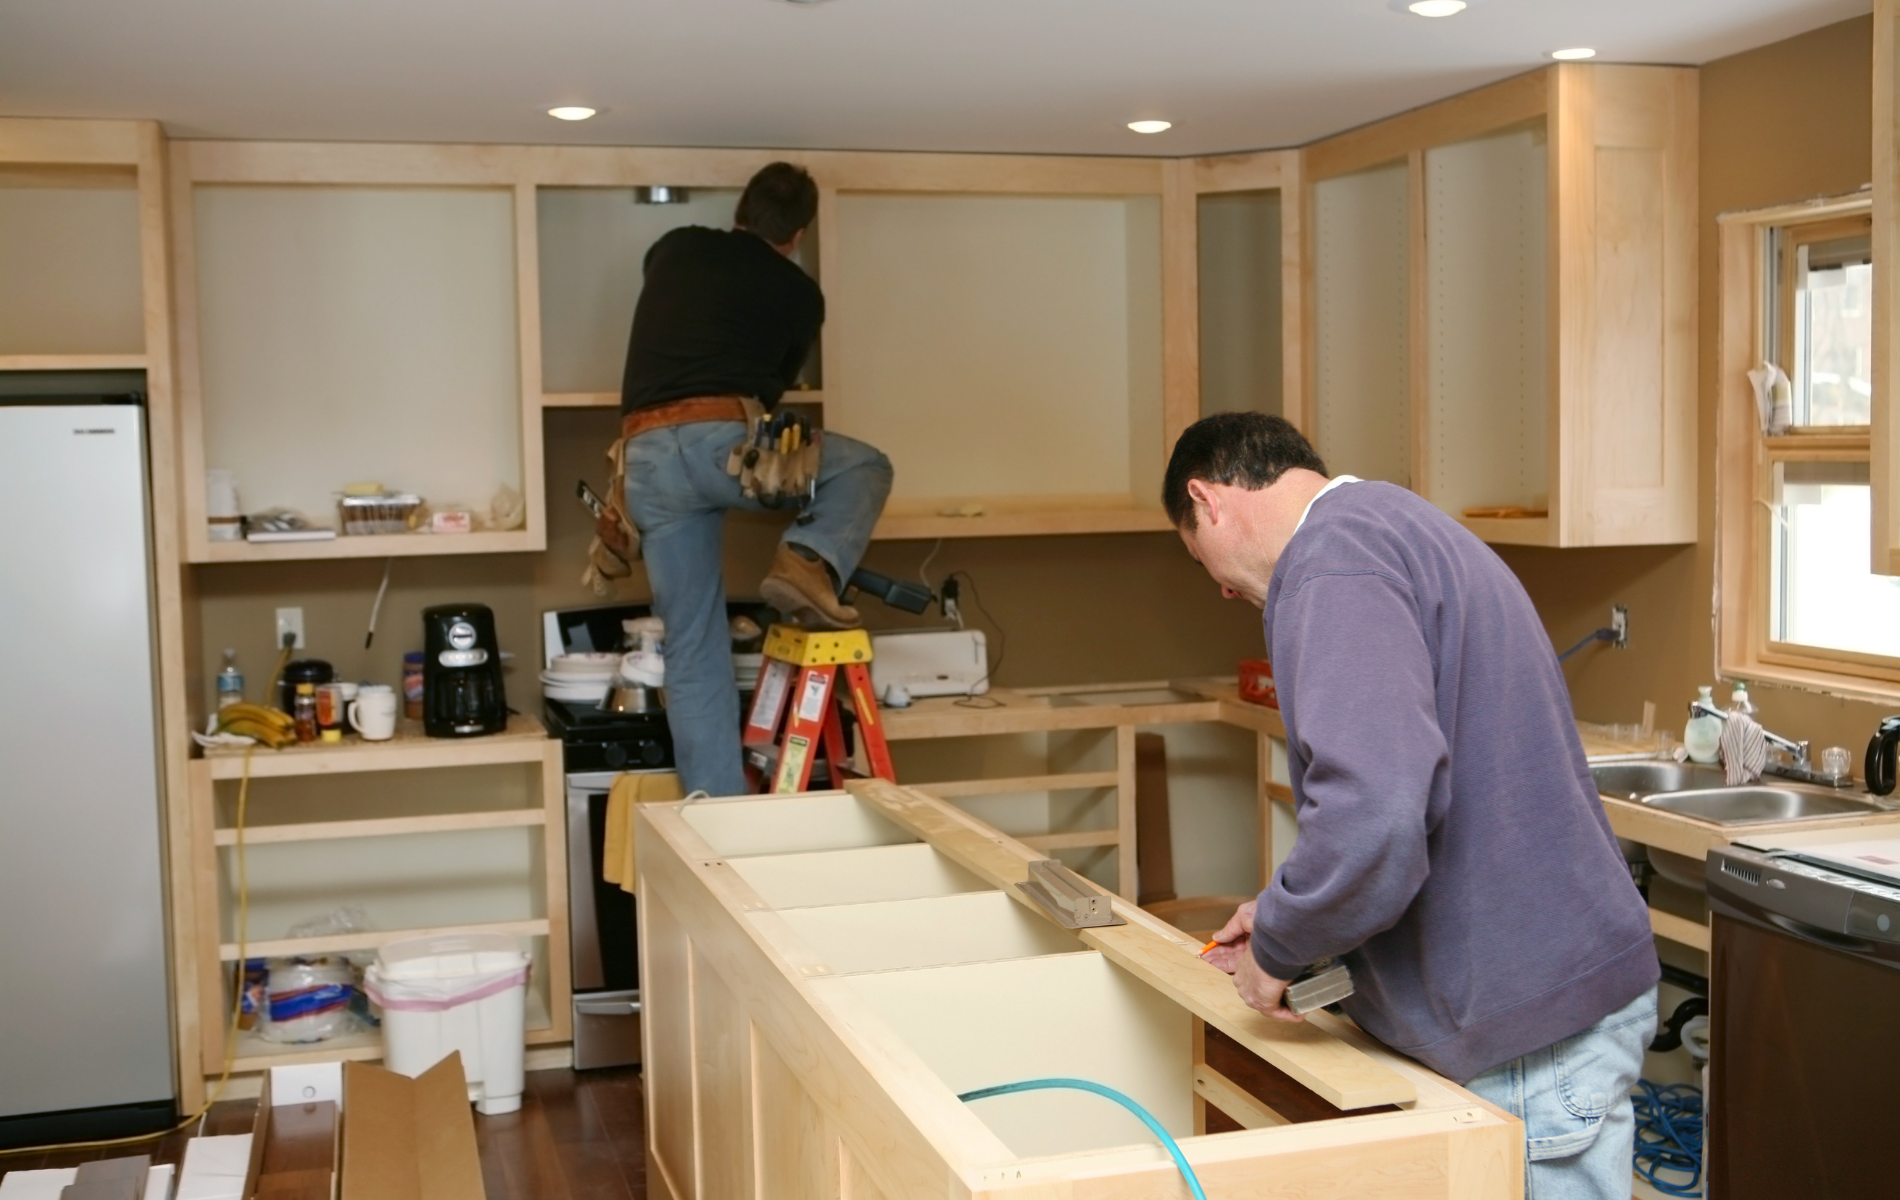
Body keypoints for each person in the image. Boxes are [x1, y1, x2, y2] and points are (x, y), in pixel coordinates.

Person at [1165, 412, 1657, 1200]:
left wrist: (1279, 951)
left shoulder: (1331, 565)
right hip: (1538, 1001)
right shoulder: (1394, 523)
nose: (1222, 586)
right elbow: (1405, 795)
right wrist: (1288, 909)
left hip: (1524, 1031)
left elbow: (1376, 812)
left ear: (1208, 498)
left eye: (1201, 559)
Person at [620, 162, 892, 797]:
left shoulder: (677, 245)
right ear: (798, 233)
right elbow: (767, 395)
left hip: (642, 462)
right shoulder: (800, 295)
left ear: (739, 211)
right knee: (865, 465)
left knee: (692, 650)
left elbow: (664, 292)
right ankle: (807, 559)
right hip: (719, 445)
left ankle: (718, 812)